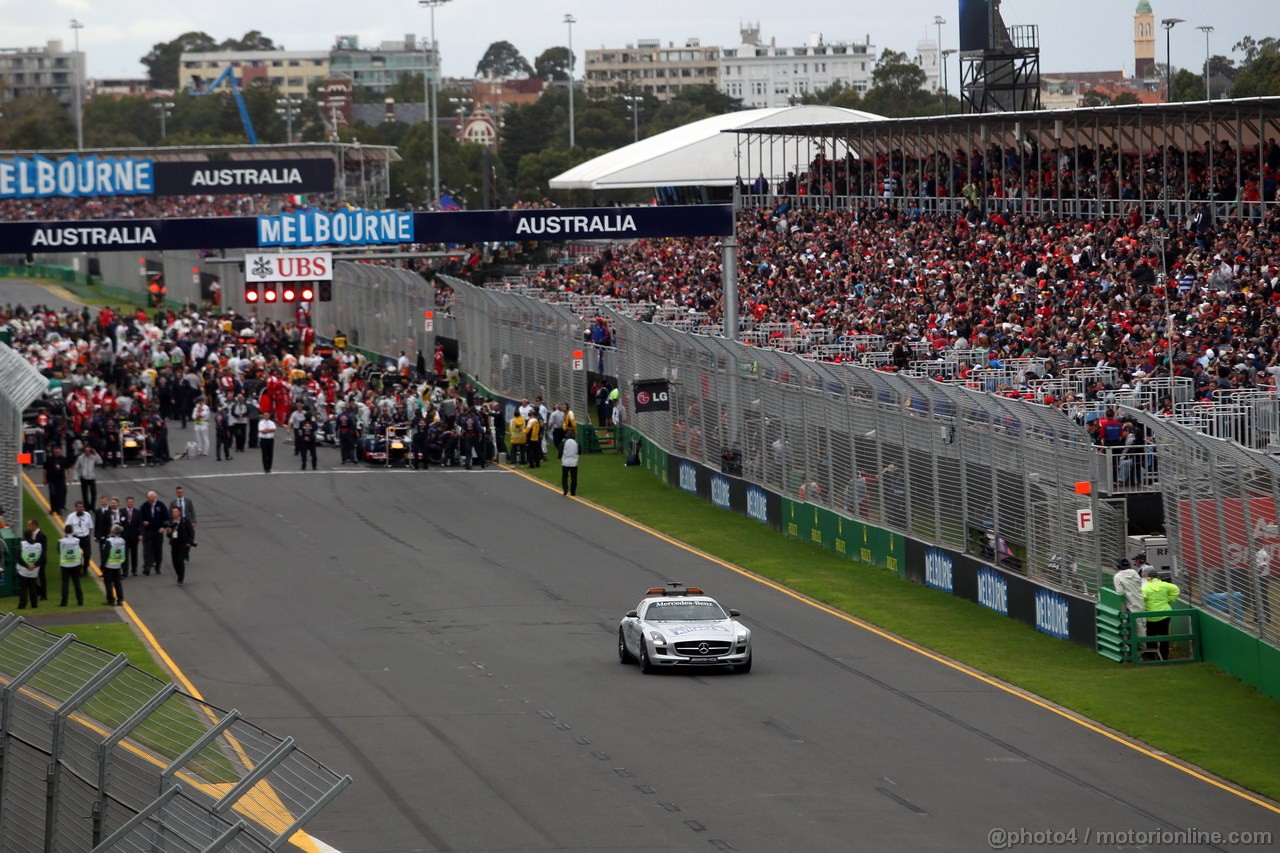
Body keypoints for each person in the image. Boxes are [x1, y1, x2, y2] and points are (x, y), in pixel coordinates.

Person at [1142, 568, 1182, 661]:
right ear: (1158, 577)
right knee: (1164, 636)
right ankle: (1164, 657)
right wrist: (1169, 599)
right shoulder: (1165, 585)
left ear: (1149, 578)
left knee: (1150, 636)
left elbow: (1142, 599)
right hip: (1165, 614)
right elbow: (1176, 590)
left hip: (1150, 616)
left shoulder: (1145, 588)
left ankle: (1152, 656)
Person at [1112, 557, 1146, 640]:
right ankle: (1144, 648)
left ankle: (1139, 649)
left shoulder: (1117, 577)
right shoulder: (1134, 572)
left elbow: (1120, 593)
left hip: (1129, 605)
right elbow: (1139, 584)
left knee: (1131, 626)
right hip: (1140, 602)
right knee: (1142, 625)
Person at [139, 490, 168, 575]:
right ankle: (147, 567)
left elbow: (167, 518)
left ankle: (158, 567)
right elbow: (140, 518)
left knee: (158, 550)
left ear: (155, 497)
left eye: (152, 499)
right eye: (149, 499)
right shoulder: (144, 506)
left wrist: (163, 527)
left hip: (158, 531)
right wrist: (144, 522)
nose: (150, 501)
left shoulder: (161, 505)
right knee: (147, 549)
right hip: (148, 531)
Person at [165, 505, 195, 585]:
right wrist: (169, 530)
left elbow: (191, 532)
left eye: (176, 512)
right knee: (174, 561)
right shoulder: (171, 522)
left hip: (183, 543)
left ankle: (181, 577)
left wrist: (190, 542)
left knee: (180, 560)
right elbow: (168, 535)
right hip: (174, 544)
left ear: (179, 512)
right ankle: (178, 574)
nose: (174, 513)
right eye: (173, 512)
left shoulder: (185, 521)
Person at [17, 522, 44, 609]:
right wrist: (35, 565)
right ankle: (34, 604)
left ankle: (22, 604)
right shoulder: (38, 545)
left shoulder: (22, 544)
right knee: (33, 588)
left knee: (23, 589)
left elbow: (18, 557)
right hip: (34, 571)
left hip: (24, 570)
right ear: (32, 535)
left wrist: (26, 565)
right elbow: (41, 557)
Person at [58, 523, 85, 606]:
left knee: (65, 583)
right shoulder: (77, 540)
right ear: (72, 531)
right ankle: (80, 601)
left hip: (65, 565)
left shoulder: (61, 541)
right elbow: (80, 551)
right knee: (77, 583)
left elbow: (59, 551)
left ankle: (64, 602)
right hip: (75, 564)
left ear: (65, 531)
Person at [22, 518, 48, 601]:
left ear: (34, 525)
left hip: (40, 561)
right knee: (30, 577)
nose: (28, 527)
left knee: (42, 577)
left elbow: (43, 550)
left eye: (29, 525)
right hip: (31, 560)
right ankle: (38, 591)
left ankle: (43, 595)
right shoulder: (30, 535)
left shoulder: (41, 536)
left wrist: (38, 561)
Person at [67, 500, 94, 575]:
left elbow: (91, 527)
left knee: (87, 555)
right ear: (76, 508)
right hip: (76, 537)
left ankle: (85, 569)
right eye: (79, 507)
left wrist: (88, 535)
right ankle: (78, 570)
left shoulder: (87, 515)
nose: (80, 508)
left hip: (85, 537)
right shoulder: (71, 517)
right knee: (77, 555)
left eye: (82, 507)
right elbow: (67, 528)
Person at [43, 445, 71, 515]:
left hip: (61, 479)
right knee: (53, 493)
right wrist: (44, 478)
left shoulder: (64, 459)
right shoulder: (49, 459)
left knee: (60, 494)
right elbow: (45, 469)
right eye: (55, 452)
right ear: (53, 452)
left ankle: (59, 509)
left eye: (58, 452)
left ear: (61, 452)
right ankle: (53, 508)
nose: (57, 453)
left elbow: (68, 468)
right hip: (51, 479)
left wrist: (69, 477)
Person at [103, 523, 126, 606]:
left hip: (109, 565)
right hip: (118, 564)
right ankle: (120, 599)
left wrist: (102, 565)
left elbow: (105, 554)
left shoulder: (109, 541)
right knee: (117, 583)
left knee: (108, 583)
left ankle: (111, 600)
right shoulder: (122, 541)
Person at [120, 495, 141, 576]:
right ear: (126, 503)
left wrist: (140, 534)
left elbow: (140, 524)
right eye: (129, 502)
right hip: (124, 537)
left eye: (132, 502)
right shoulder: (121, 511)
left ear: (134, 503)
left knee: (134, 554)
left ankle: (134, 570)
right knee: (125, 554)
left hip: (134, 536)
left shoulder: (137, 512)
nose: (130, 503)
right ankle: (125, 571)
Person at [173, 485, 197, 551]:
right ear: (176, 493)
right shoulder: (173, 502)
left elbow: (192, 511)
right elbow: (170, 513)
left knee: (189, 536)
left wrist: (194, 521)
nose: (180, 494)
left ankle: (186, 551)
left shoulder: (188, 501)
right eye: (178, 492)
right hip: (177, 522)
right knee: (178, 538)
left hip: (186, 522)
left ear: (183, 492)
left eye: (181, 492)